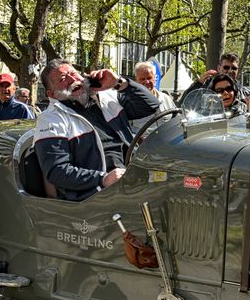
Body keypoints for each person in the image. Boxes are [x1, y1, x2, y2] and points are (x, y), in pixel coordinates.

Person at [33, 60, 161, 201]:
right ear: (51, 94)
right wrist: (103, 179)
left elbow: (151, 106)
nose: (72, 80)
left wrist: (118, 83)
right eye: (63, 79)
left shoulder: (107, 96)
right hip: (96, 195)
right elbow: (57, 171)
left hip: (133, 177)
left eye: (73, 73)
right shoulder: (51, 118)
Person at [179, 52, 249, 104]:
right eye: (226, 67)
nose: (230, 71)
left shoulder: (244, 91)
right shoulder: (205, 85)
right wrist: (199, 83)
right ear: (219, 68)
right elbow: (184, 102)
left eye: (234, 68)